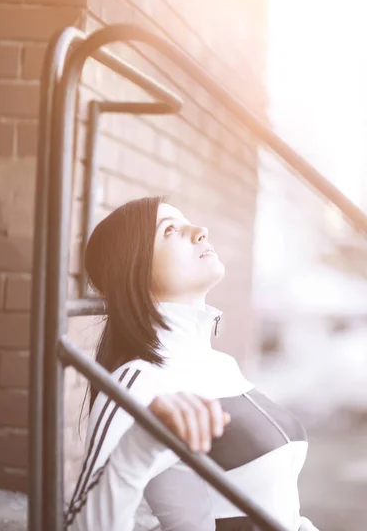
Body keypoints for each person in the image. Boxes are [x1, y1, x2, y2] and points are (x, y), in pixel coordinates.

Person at [65, 196, 319, 531]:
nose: (200, 231)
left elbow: (270, 498)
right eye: (169, 230)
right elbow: (82, 526)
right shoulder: (137, 379)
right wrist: (140, 447)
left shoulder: (221, 364)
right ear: (135, 270)